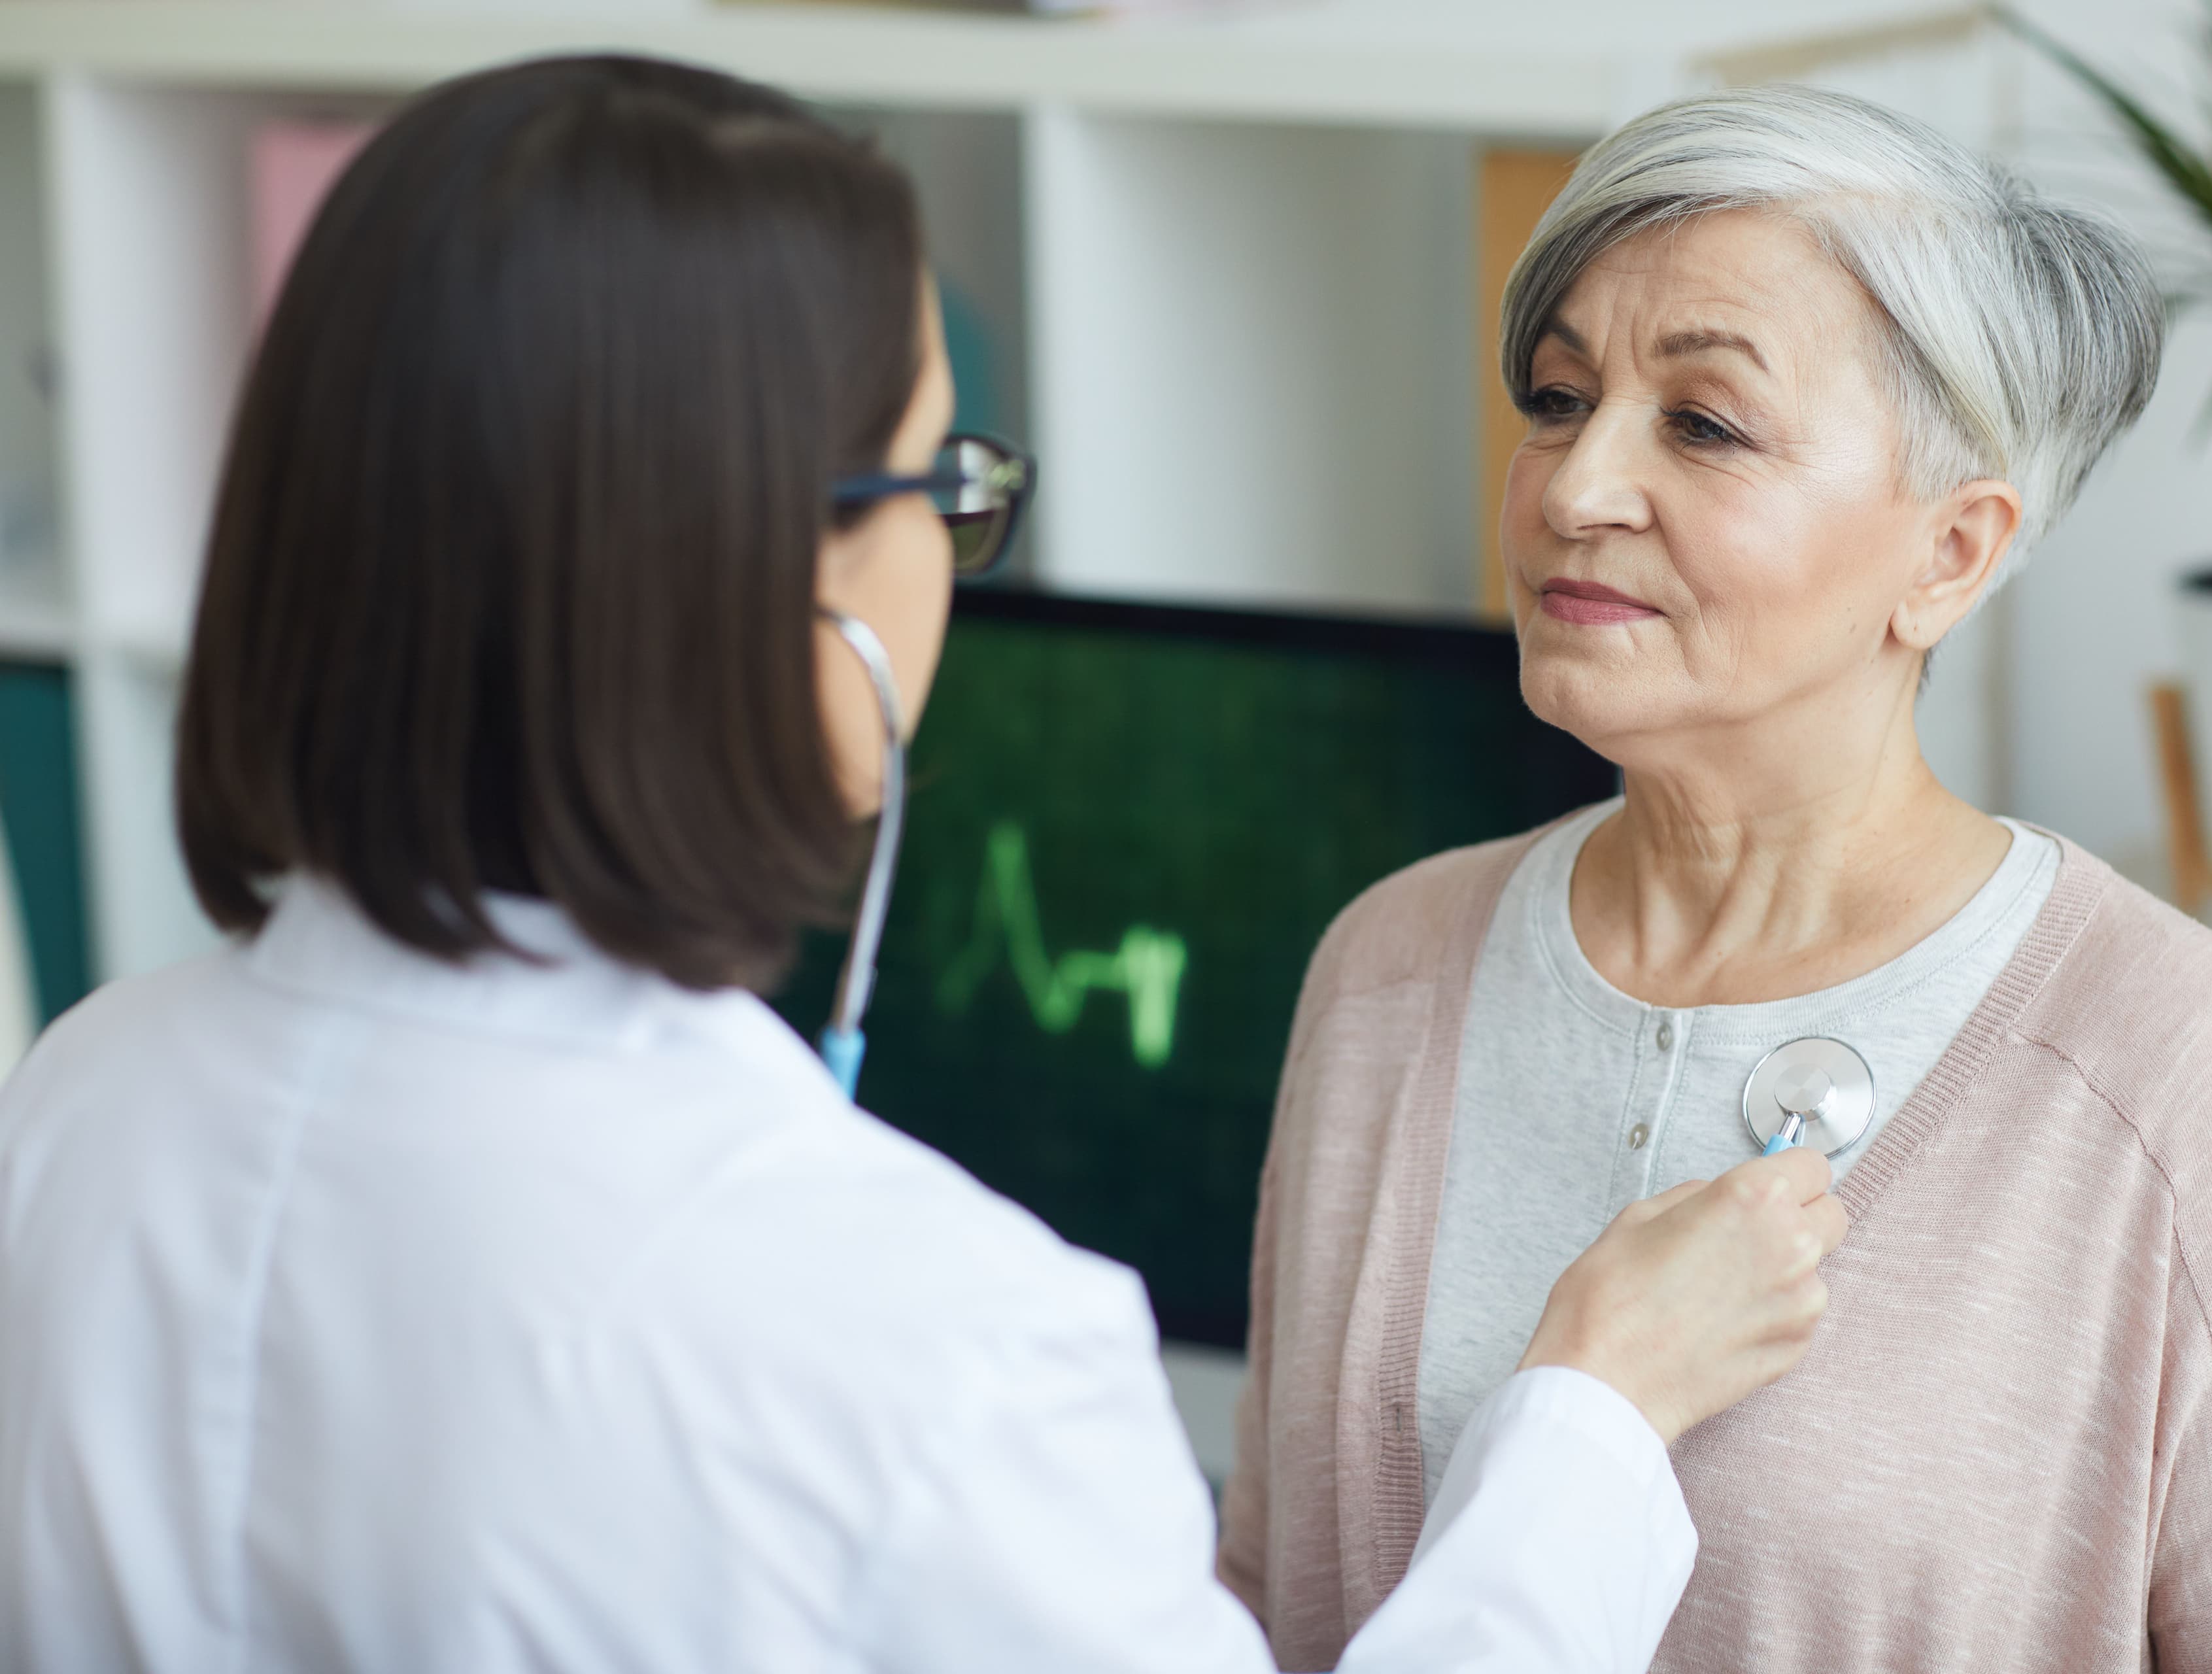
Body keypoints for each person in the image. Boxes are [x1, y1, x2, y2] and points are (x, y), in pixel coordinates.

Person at [0, 55, 1851, 1674]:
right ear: (787, 585)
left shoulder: (79, 1103)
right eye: (942, 485)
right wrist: (1596, 1416)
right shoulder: (932, 1349)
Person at [1217, 84, 2212, 1673]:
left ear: (1951, 552)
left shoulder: (2167, 1057)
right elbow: (1260, 1598)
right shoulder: (1389, 970)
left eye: (1705, 421)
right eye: (1556, 394)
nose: (1575, 487)